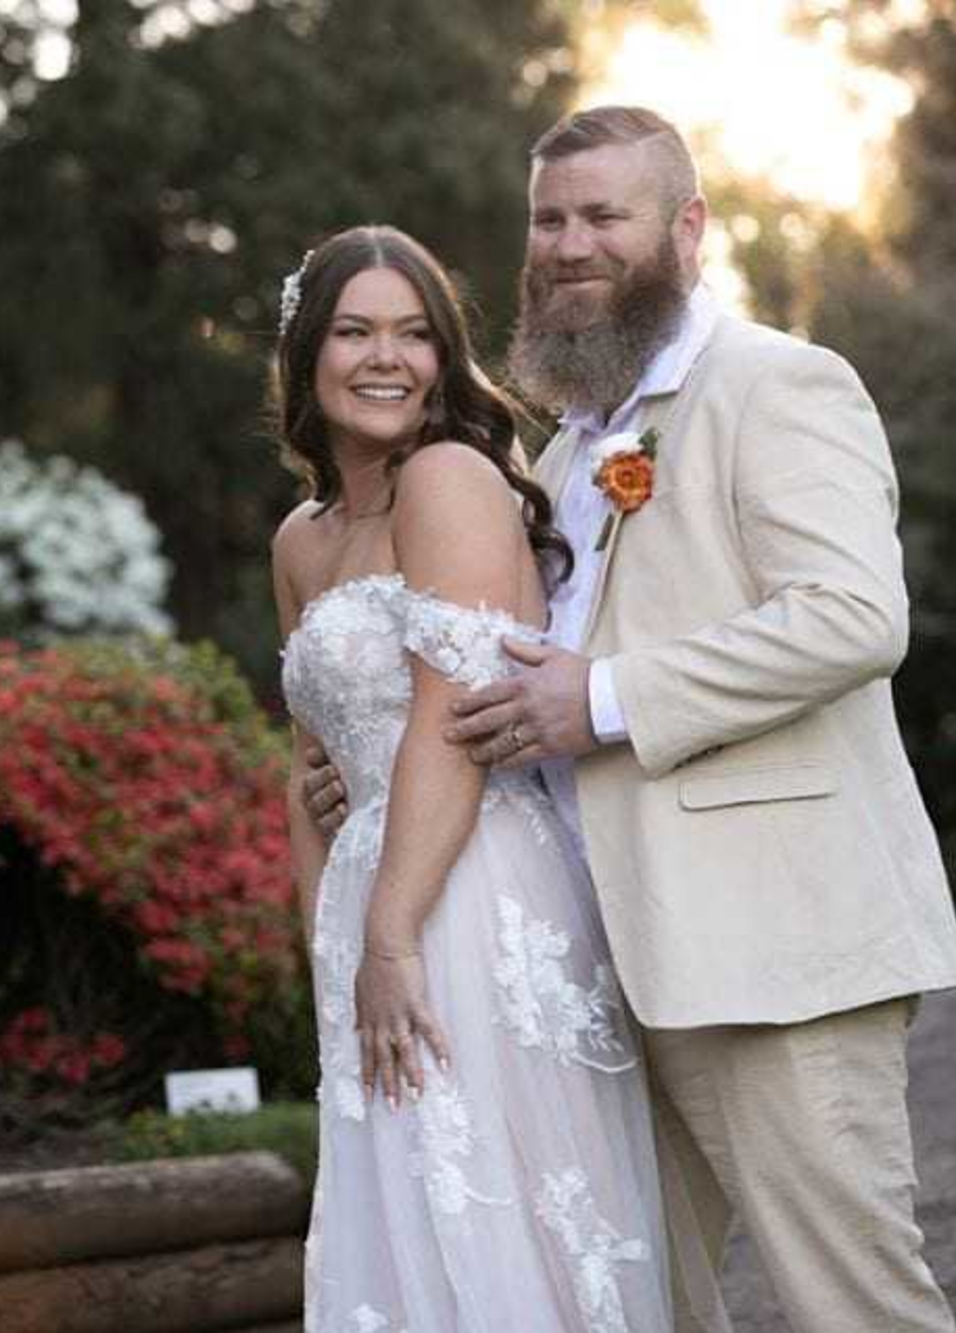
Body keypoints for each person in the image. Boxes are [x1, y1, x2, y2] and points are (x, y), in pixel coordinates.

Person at [305, 106, 956, 1331]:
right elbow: (496, 683)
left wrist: (601, 697)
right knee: (640, 1303)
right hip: (599, 964)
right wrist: (379, 763)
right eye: (547, 219)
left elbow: (853, 617)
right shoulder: (558, 459)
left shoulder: (777, 384)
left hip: (775, 953)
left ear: (687, 228)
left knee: (849, 1302)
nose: (566, 244)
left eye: (602, 215)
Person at [272, 223, 671, 1330]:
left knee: (495, 1208)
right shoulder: (298, 540)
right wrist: (332, 945)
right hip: (370, 900)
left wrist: (391, 934)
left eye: (412, 334)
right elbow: (305, 758)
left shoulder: (445, 477)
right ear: (307, 354)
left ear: (445, 359)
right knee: (399, 1212)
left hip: (468, 887)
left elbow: (450, 714)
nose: (384, 358)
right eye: (353, 332)